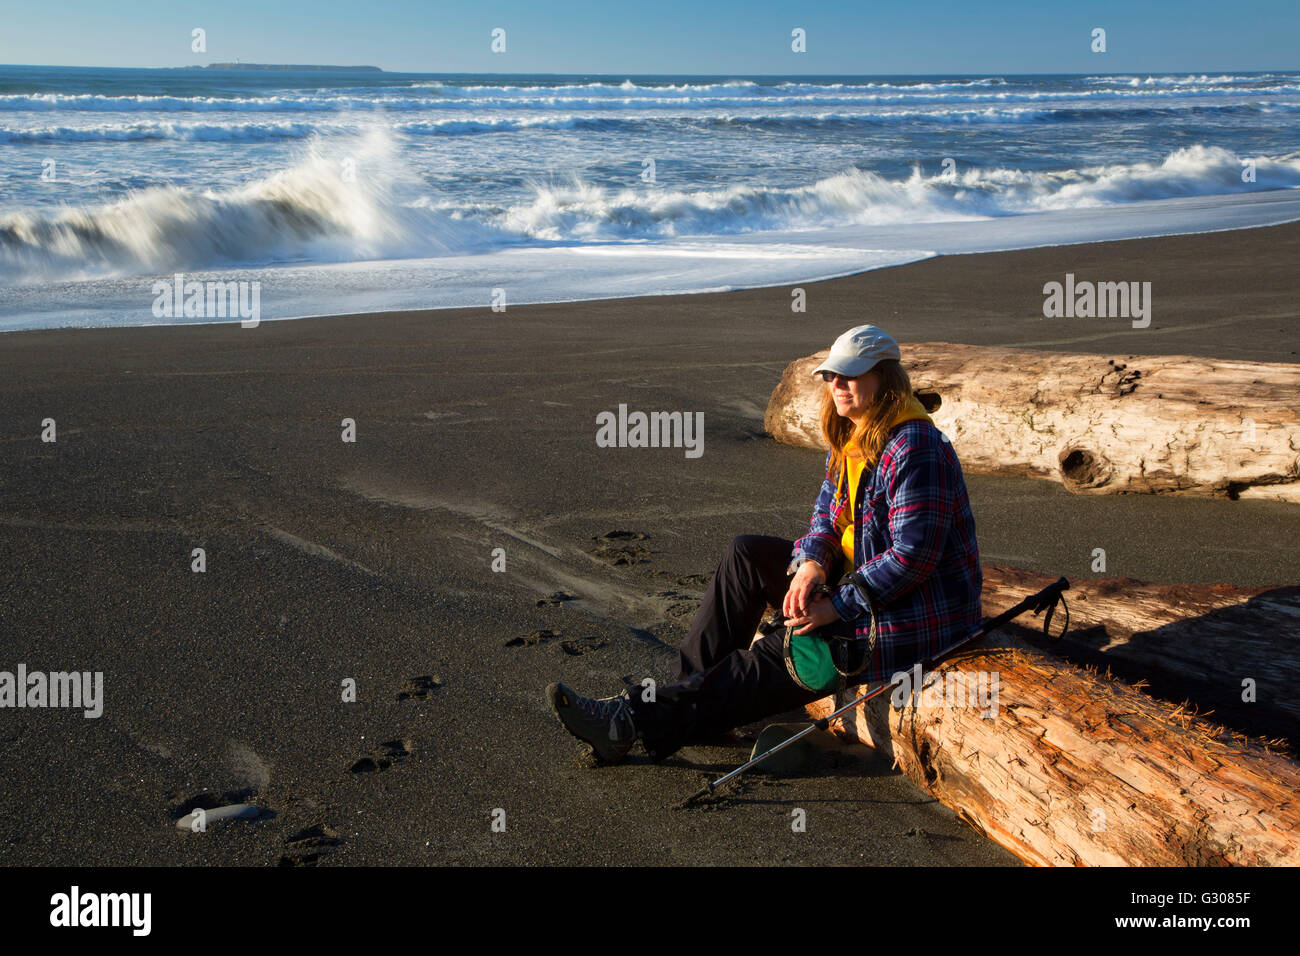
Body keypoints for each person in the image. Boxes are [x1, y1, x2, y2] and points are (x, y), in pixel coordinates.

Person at [545, 324, 982, 763]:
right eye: (832, 375)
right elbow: (825, 519)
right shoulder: (854, 436)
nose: (837, 385)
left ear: (886, 378)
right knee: (745, 555)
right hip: (858, 583)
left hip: (915, 611)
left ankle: (628, 722)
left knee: (788, 649)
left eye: (851, 375)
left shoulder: (915, 446)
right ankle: (688, 704)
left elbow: (913, 556)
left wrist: (837, 606)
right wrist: (812, 563)